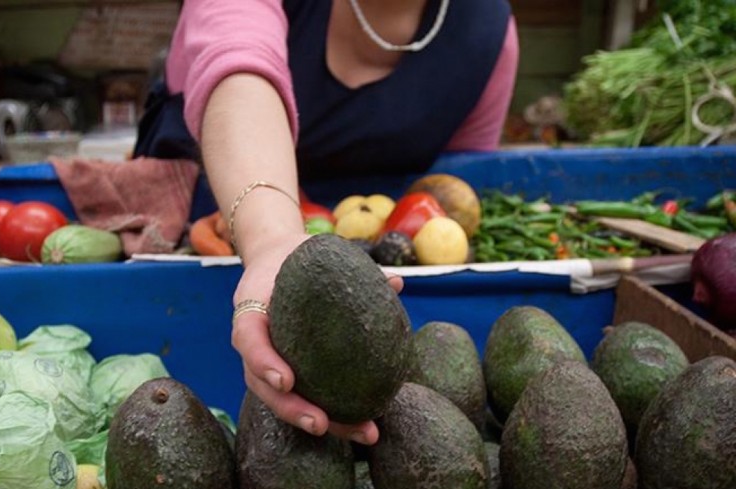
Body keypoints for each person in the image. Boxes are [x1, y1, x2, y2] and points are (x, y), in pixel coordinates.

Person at [133, 0, 519, 445]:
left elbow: (448, 189)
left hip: (372, 292)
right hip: (208, 260)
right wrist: (275, 240)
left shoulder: (487, 31)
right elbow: (238, 69)